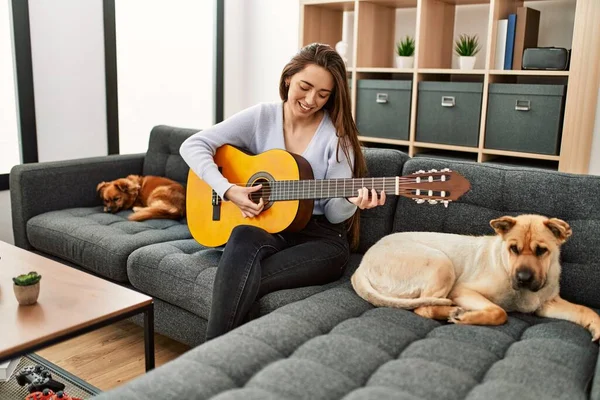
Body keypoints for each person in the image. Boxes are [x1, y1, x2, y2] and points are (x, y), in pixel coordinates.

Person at [180, 43, 386, 341]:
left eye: (323, 94)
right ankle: (218, 358)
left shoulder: (338, 138)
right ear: (288, 78)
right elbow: (193, 145)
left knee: (242, 280)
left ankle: (209, 355)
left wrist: (351, 200)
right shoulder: (262, 117)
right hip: (269, 227)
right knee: (241, 235)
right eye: (305, 86)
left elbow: (332, 213)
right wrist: (227, 190)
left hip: (319, 238)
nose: (311, 100)